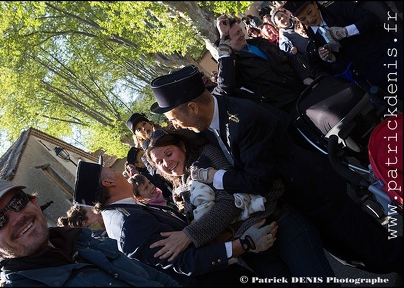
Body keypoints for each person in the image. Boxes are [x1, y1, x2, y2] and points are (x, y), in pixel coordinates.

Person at [149, 64, 403, 275]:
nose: (176, 125)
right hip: (299, 202)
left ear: (193, 108)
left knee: (378, 252)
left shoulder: (244, 119)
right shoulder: (210, 122)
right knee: (357, 257)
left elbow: (257, 180)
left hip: (316, 195)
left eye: (173, 118)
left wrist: (216, 177)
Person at [144, 128, 337, 283]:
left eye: (169, 154)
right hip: (255, 250)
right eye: (159, 162)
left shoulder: (206, 155)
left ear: (182, 145)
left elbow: (231, 200)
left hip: (280, 226)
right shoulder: (179, 184)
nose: (166, 163)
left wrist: (189, 234)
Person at [74, 160, 277, 287]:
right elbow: (184, 263)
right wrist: (245, 244)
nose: (114, 170)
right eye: (107, 170)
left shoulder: (127, 212)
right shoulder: (128, 222)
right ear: (108, 183)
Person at [0, 179, 181, 287]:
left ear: (34, 202)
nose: (17, 217)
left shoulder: (85, 241)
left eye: (17, 202)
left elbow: (156, 277)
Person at [283, 1, 402, 93]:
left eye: (310, 12)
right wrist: (330, 57)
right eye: (303, 19)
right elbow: (341, 60)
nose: (310, 19)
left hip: (386, 52)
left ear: (315, 4)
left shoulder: (337, 7)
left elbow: (371, 19)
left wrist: (346, 31)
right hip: (369, 70)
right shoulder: (311, 33)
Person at [214, 15, 314, 113]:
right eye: (237, 33)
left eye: (241, 30)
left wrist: (305, 76)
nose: (242, 34)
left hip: (305, 89)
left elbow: (289, 58)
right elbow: (226, 86)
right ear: (227, 41)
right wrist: (222, 37)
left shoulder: (260, 42)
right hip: (289, 108)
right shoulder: (232, 65)